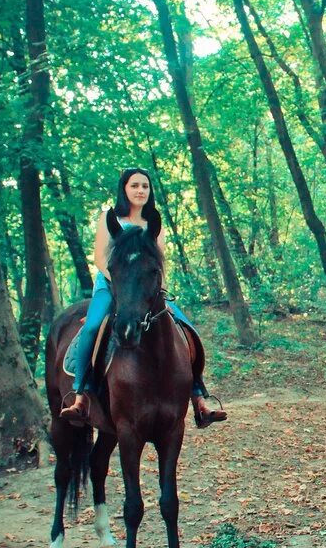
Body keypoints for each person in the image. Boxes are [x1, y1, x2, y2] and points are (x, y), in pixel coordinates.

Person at [60, 168, 221, 427]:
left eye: (145, 186)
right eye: (134, 185)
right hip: (111, 285)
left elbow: (159, 263)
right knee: (91, 327)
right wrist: (121, 283)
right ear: (124, 188)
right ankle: (80, 394)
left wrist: (158, 291)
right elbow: (100, 258)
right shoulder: (109, 218)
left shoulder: (153, 224)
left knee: (186, 329)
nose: (140, 191)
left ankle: (199, 398)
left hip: (147, 289)